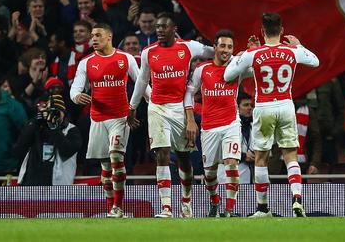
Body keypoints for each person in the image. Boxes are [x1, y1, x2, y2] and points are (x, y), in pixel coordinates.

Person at [224, 12, 319, 218]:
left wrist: (246, 52)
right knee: (290, 156)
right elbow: (315, 62)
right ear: (282, 30)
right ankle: (297, 201)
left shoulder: (254, 54)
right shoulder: (292, 51)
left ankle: (262, 208)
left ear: (262, 31)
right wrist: (299, 46)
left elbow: (228, 74)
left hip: (264, 107)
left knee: (261, 158)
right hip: (286, 104)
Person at [129, 13, 214, 218]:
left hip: (180, 108)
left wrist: (222, 50)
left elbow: (211, 52)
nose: (159, 30)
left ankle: (186, 201)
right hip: (157, 107)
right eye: (157, 27)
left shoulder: (188, 47)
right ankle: (166, 207)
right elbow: (142, 81)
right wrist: (132, 106)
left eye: (163, 27)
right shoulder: (148, 52)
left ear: (173, 29)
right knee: (162, 154)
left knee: (184, 158)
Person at [70, 23, 145, 218]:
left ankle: (118, 207)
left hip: (120, 117)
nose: (93, 39)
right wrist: (76, 96)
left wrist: (154, 102)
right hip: (97, 119)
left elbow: (141, 83)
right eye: (92, 36)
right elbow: (75, 88)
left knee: (115, 157)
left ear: (109, 37)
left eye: (97, 35)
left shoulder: (125, 58)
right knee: (105, 165)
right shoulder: (86, 62)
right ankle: (111, 206)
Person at [185, 29, 250, 218]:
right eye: (222, 45)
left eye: (230, 47)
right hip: (209, 127)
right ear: (215, 47)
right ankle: (215, 201)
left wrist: (251, 52)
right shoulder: (202, 69)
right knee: (210, 172)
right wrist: (190, 119)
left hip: (231, 123)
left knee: (231, 163)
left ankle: (229, 209)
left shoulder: (236, 68)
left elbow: (255, 66)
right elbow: (189, 92)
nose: (226, 50)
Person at [13, 92, 81, 185]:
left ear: (64, 114)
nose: (53, 115)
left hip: (57, 188)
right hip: (32, 183)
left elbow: (67, 151)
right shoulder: (37, 127)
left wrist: (54, 129)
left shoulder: (71, 130)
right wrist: (35, 123)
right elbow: (19, 149)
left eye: (57, 112)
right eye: (50, 112)